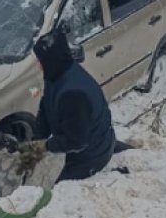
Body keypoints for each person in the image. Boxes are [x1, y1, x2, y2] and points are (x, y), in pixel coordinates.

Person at [19, 28, 116, 181]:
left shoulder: (73, 96)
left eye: (40, 61)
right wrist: (37, 138)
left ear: (51, 60)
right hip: (87, 140)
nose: (38, 65)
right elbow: (47, 105)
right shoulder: (57, 73)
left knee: (59, 193)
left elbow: (77, 141)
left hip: (92, 155)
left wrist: (45, 146)